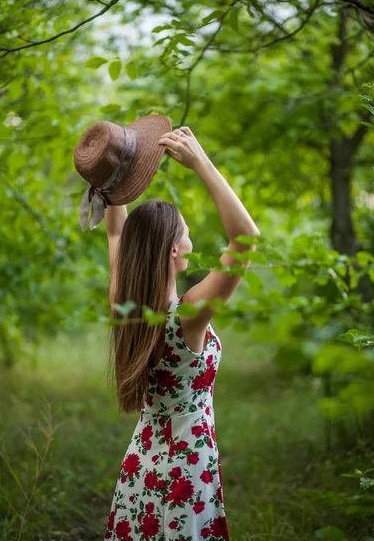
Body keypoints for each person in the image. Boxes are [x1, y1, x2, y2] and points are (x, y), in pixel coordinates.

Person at [103, 126, 261, 540]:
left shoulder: (127, 303)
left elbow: (118, 232)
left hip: (141, 465)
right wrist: (201, 164)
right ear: (175, 250)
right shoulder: (187, 315)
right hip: (184, 471)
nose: (191, 240)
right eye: (186, 233)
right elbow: (245, 239)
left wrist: (113, 175)